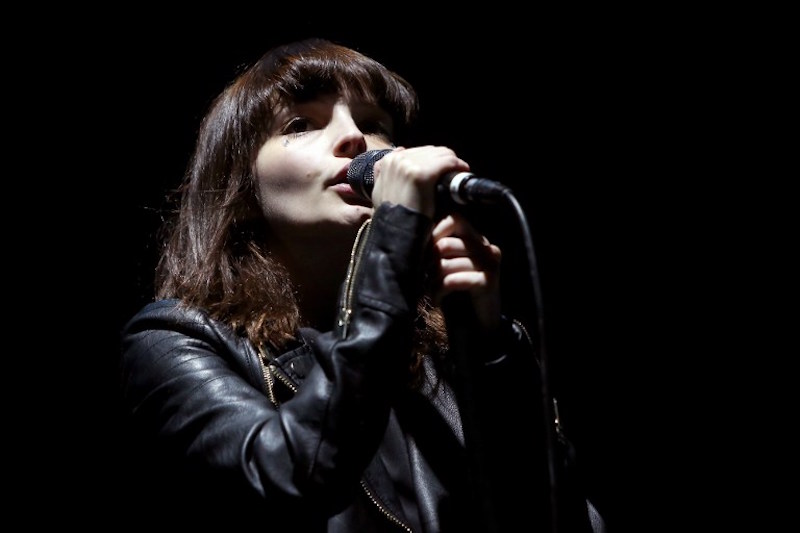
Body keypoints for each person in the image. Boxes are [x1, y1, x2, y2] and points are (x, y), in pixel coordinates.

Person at [118, 37, 606, 532]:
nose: (355, 139)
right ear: (241, 190)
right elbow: (293, 477)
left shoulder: (438, 351)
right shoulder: (173, 340)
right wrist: (391, 237)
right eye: (300, 124)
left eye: (374, 124)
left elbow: (559, 519)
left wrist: (489, 346)